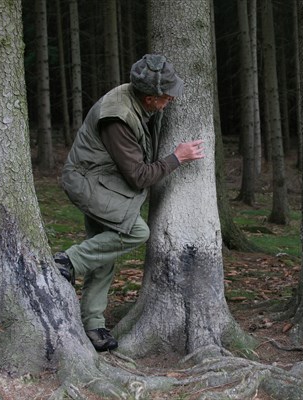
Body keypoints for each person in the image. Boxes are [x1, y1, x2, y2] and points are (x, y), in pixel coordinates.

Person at [55, 54, 205, 352]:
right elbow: (138, 176)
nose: (171, 100)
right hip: (91, 182)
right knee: (135, 232)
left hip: (106, 181)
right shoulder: (118, 118)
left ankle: (93, 325)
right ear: (150, 98)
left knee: (103, 253)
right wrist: (178, 158)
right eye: (166, 96)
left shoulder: (139, 101)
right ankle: (65, 262)